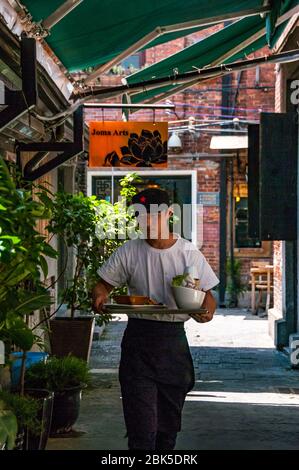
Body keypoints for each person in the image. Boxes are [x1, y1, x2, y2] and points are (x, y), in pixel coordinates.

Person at [92, 187, 219, 451]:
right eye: (141, 218)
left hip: (173, 344)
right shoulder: (129, 251)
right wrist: (100, 297)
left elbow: (208, 299)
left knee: (167, 432)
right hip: (138, 343)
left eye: (153, 216)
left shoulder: (188, 253)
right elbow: (103, 285)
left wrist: (204, 311)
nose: (147, 223)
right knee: (141, 432)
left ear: (169, 214)